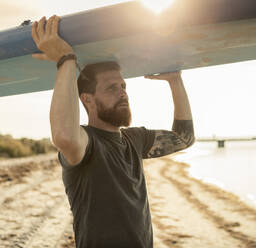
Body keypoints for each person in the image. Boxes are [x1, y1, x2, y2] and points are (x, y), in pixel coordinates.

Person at [31, 15, 195, 248]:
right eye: (111, 88)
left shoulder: (134, 139)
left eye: (123, 86)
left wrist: (175, 81)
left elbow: (184, 139)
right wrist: (66, 59)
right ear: (87, 99)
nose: (123, 93)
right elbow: (64, 135)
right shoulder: (86, 144)